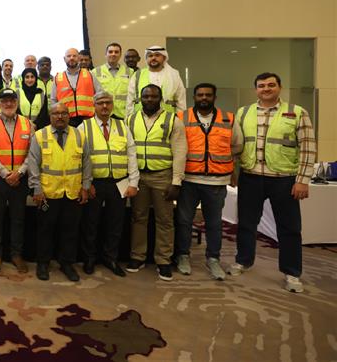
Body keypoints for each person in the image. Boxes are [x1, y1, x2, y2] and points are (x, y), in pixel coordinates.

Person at [230, 72, 316, 293]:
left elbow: (307, 148)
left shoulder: (297, 113)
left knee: (289, 227)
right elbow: (236, 145)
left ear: (280, 87)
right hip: (251, 176)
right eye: (261, 86)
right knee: (246, 224)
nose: (266, 89)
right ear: (256, 89)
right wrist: (233, 171)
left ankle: (292, 272)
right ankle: (243, 260)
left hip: (283, 179)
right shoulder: (244, 112)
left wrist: (303, 181)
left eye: (271, 85)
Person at [175, 83, 243, 281]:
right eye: (200, 95)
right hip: (188, 179)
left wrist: (222, 161)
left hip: (216, 181)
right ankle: (183, 255)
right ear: (194, 97)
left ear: (214, 97)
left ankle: (213, 258)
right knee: (184, 221)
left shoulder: (228, 119)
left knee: (214, 223)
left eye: (208, 95)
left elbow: (237, 145)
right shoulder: (182, 117)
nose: (204, 98)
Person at [125, 84, 186, 281]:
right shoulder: (130, 119)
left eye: (153, 96)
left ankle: (163, 260)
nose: (149, 99)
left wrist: (176, 181)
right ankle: (137, 256)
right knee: (138, 218)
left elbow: (180, 152)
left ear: (160, 98)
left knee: (165, 220)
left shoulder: (173, 120)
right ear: (140, 99)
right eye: (146, 96)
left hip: (163, 176)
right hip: (138, 177)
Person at [77, 91, 139, 277]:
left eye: (108, 103)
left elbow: (131, 155)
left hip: (119, 183)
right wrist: (86, 184)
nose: (105, 106)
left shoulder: (122, 126)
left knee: (115, 224)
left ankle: (110, 258)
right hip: (94, 183)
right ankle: (89, 258)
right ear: (94, 105)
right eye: (101, 103)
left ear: (112, 105)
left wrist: (133, 182)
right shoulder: (84, 127)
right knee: (91, 223)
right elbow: (78, 158)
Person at [28, 103, 91, 282]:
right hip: (48, 193)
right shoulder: (40, 135)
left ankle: (67, 264)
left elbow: (87, 162)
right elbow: (33, 163)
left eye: (64, 113)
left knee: (70, 231)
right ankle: (43, 263)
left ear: (69, 116)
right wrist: (36, 188)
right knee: (45, 230)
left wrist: (86, 186)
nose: (60, 116)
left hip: (72, 192)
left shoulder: (79, 135)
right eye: (56, 113)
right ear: (50, 116)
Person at [0, 88, 32, 273]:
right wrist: (6, 174)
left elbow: (32, 153)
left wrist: (19, 173)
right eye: (5, 101)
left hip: (20, 180)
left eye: (12, 100)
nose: (8, 104)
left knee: (18, 219)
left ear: (17, 103)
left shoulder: (27, 124)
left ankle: (16, 254)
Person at [126, 46, 186, 116]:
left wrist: (180, 119)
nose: (153, 58)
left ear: (164, 58)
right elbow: (130, 101)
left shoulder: (173, 75)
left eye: (157, 55)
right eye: (150, 56)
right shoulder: (137, 75)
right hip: (141, 118)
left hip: (167, 119)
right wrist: (129, 119)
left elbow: (181, 101)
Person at [51, 47, 101, 127]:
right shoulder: (57, 78)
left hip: (88, 119)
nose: (71, 58)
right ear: (64, 59)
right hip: (66, 120)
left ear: (78, 58)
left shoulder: (90, 74)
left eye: (74, 56)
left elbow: (100, 95)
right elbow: (53, 101)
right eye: (69, 56)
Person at [93, 42, 133, 120]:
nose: (113, 54)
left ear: (120, 55)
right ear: (106, 54)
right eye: (110, 52)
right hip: (103, 113)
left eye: (116, 52)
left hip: (123, 114)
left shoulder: (130, 72)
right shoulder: (95, 72)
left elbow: (132, 95)